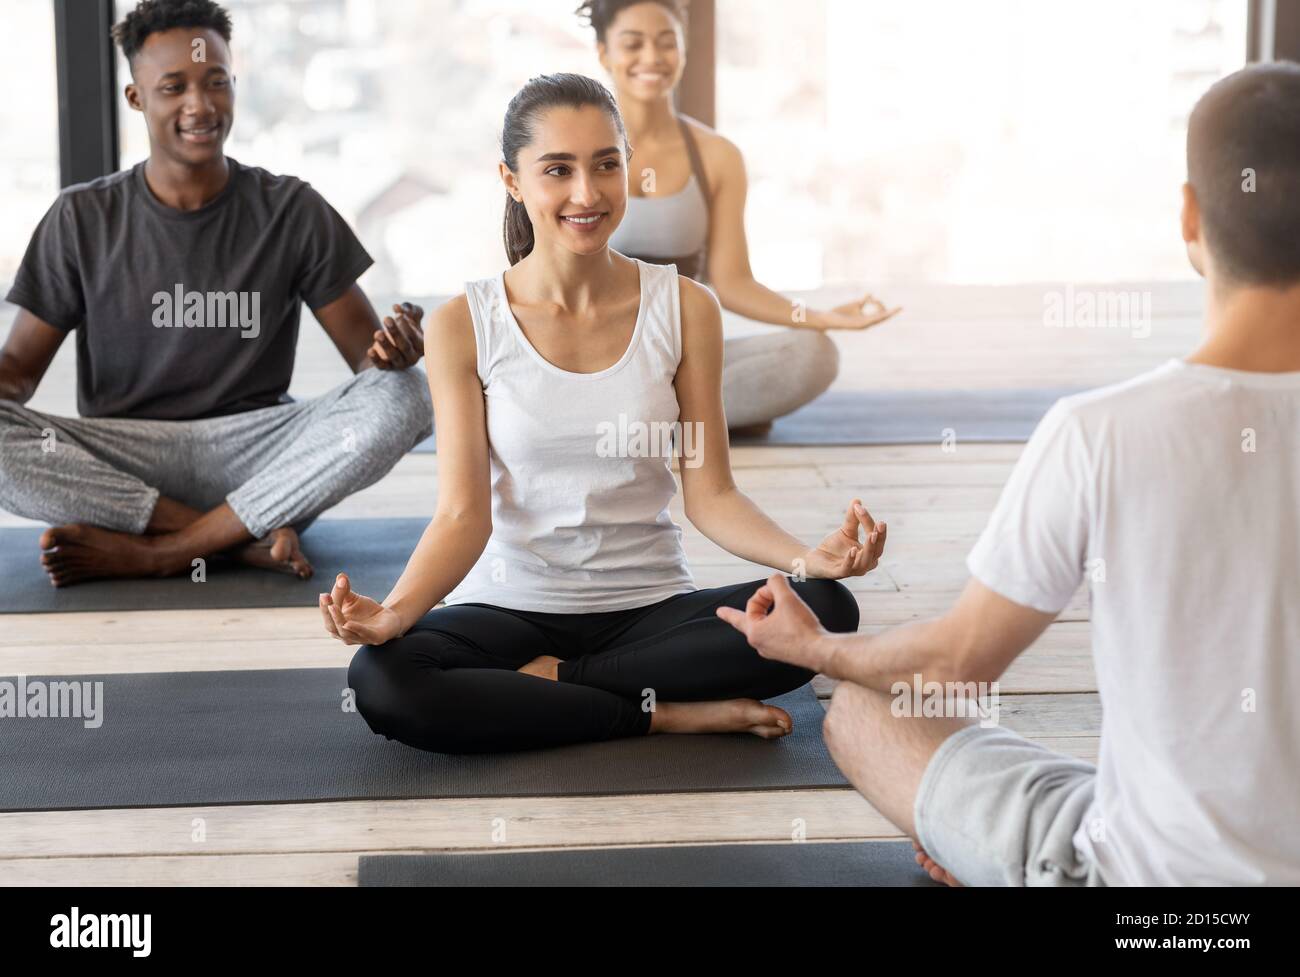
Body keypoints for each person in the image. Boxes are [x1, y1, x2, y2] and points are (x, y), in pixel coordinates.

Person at [720, 62, 1300, 886]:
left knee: (867, 709)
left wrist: (818, 646)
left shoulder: (1100, 432)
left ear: (1188, 216)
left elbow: (956, 666)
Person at [321, 73, 883, 754]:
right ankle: (662, 714)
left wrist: (807, 557)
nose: (587, 194)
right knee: (382, 678)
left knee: (826, 609)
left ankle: (557, 685)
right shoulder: (464, 324)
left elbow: (712, 495)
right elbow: (463, 515)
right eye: (558, 170)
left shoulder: (684, 307)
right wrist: (395, 615)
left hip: (649, 610)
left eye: (606, 166)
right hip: (509, 608)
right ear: (512, 179)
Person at [0, 0, 432, 587]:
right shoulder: (81, 216)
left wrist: (393, 354)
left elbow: (368, 364)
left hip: (263, 458)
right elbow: (17, 375)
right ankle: (233, 540)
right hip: (124, 461)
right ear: (137, 100)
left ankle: (162, 551)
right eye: (173, 88)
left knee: (406, 394)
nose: (199, 105)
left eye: (216, 83)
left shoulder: (291, 208)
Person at [578, 0, 900, 434]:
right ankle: (684, 418)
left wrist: (821, 316)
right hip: (591, 357)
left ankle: (648, 421)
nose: (652, 58)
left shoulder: (717, 157)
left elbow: (732, 283)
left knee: (812, 354)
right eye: (633, 44)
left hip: (678, 358)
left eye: (666, 43)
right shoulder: (575, 148)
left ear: (684, 50)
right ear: (604, 53)